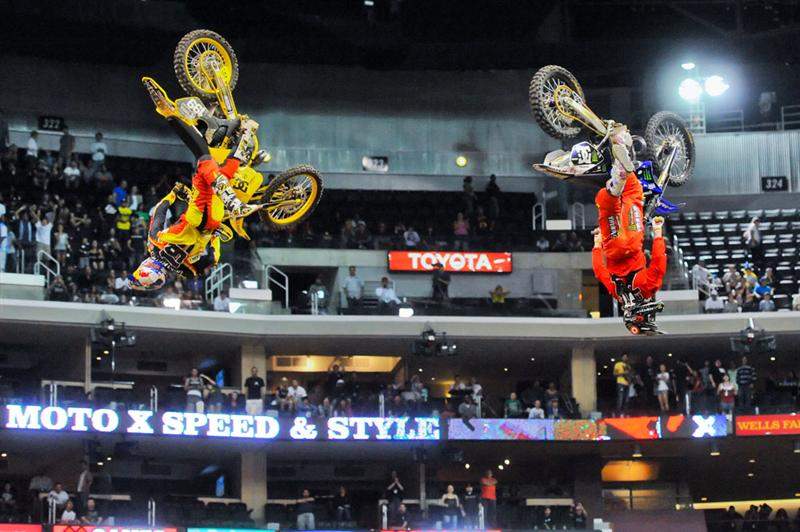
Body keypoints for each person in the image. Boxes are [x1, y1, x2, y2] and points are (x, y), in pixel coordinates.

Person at [591, 149, 667, 334]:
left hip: (632, 243)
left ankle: (623, 169)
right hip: (612, 248)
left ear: (640, 315)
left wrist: (657, 233)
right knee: (608, 210)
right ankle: (614, 184)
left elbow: (658, 264)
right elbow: (599, 272)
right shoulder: (619, 295)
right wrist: (597, 243)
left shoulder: (647, 290)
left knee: (634, 194)